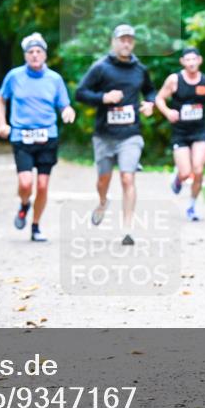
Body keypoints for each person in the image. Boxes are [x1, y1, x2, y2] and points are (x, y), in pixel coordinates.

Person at [74, 24, 156, 246]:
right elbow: (80, 93)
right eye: (122, 39)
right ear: (114, 42)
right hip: (104, 135)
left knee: (127, 177)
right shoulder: (100, 67)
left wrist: (150, 103)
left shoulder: (140, 69)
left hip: (131, 134)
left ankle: (127, 228)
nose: (126, 43)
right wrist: (104, 98)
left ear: (134, 43)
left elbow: (150, 90)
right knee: (103, 180)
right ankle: (102, 201)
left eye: (130, 39)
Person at [0, 32, 76, 242]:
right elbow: (0, 100)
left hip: (47, 137)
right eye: (30, 52)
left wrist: (68, 111)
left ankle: (36, 226)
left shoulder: (54, 79)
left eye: (39, 51)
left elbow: (64, 104)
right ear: (25, 56)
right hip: (21, 136)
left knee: (42, 185)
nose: (35, 55)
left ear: (45, 55)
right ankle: (24, 205)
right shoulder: (14, 76)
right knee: (25, 183)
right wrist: (2, 124)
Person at [154, 46, 205, 221]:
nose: (191, 62)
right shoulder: (174, 80)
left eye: (194, 59)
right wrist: (168, 112)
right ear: (182, 62)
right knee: (186, 173)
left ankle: (192, 206)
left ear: (200, 60)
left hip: (199, 131)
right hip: (180, 132)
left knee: (198, 170)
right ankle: (178, 178)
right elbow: (159, 98)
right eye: (188, 59)